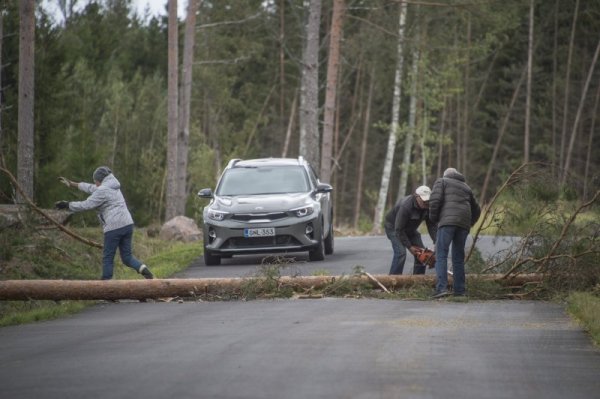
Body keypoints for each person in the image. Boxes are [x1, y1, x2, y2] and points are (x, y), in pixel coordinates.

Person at [55, 166, 154, 280]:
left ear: (100, 180)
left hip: (114, 227)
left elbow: (86, 205)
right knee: (127, 257)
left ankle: (106, 286)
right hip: (127, 224)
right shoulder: (113, 186)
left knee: (108, 258)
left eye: (95, 180)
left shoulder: (102, 190)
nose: (94, 183)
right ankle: (146, 272)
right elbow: (91, 188)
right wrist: (73, 184)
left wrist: (67, 205)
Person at [428, 167, 480, 298]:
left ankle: (441, 289)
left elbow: (435, 201)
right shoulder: (466, 187)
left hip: (447, 222)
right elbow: (477, 210)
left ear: (446, 175)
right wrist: (470, 223)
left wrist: (434, 219)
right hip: (463, 225)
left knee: (441, 255)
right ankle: (460, 290)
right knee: (458, 258)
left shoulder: (442, 181)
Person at [384, 186, 437, 275]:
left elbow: (431, 225)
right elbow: (399, 229)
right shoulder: (406, 206)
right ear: (417, 197)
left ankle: (418, 281)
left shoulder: (428, 206)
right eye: (424, 200)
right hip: (394, 228)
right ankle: (393, 281)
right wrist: (410, 247)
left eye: (428, 200)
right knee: (401, 253)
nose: (426, 203)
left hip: (410, 229)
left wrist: (436, 241)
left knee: (422, 254)